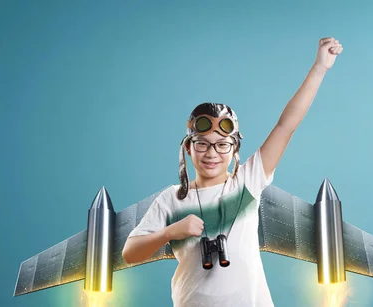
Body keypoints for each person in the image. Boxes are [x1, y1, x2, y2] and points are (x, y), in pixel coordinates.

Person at [122, 37, 343, 306]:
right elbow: (130, 253)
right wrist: (169, 232)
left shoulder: (246, 183)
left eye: (222, 145)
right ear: (188, 149)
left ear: (234, 149)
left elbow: (286, 126)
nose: (212, 153)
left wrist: (319, 68)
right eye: (202, 144)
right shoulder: (171, 199)